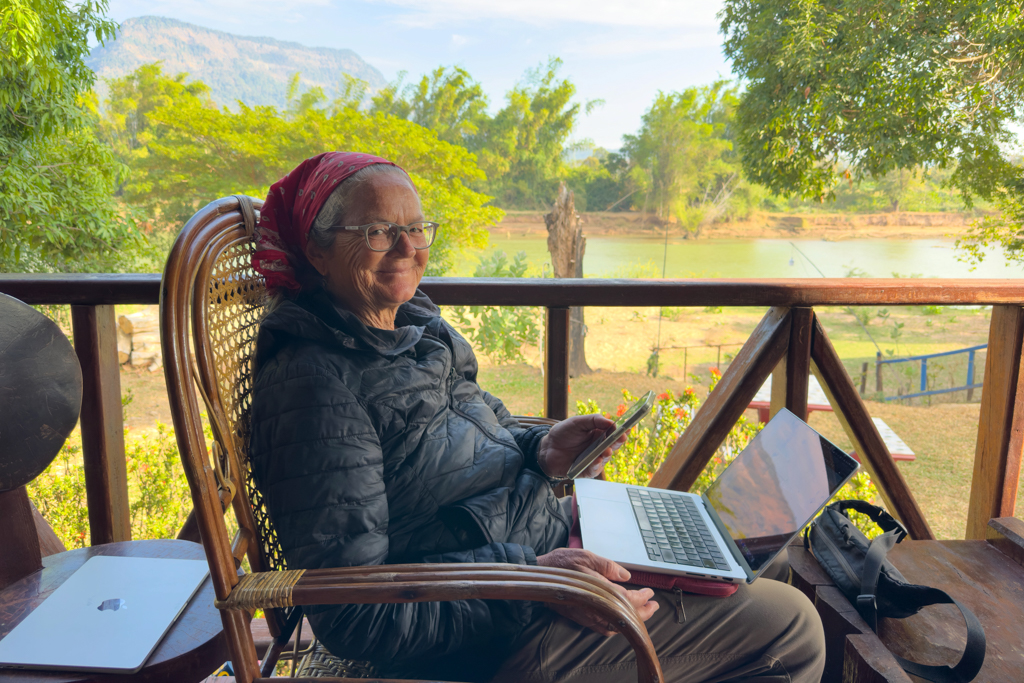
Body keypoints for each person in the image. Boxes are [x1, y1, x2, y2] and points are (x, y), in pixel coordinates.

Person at [249, 151, 826, 682]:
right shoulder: (314, 387)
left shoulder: (416, 327)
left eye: (416, 228)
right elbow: (354, 614)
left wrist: (539, 447)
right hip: (498, 631)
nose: (406, 248)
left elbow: (480, 422)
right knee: (793, 625)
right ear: (317, 251)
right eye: (377, 231)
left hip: (542, 550)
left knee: (748, 566)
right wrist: (539, 580)